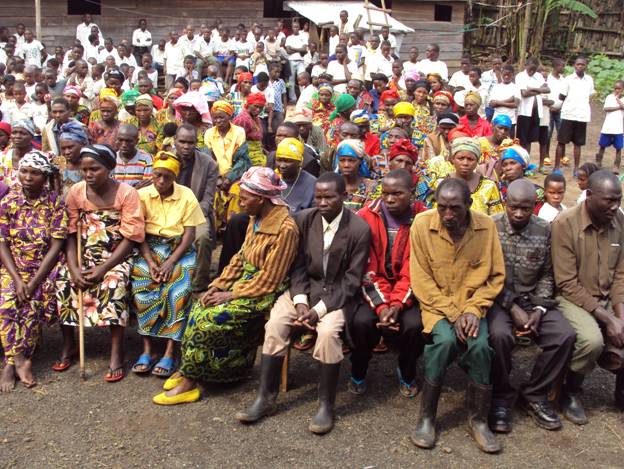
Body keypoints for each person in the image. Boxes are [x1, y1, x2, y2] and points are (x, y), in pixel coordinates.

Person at [236, 172, 370, 434]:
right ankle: (266, 397)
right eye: (318, 197)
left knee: (328, 333)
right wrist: (299, 301)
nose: (322, 203)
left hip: (336, 297)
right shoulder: (304, 220)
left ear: (344, 196)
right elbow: (296, 265)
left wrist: (318, 311)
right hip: (304, 290)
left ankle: (326, 406)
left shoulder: (358, 229)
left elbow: (351, 282)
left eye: (329, 197)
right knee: (275, 324)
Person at [153, 166, 299, 405]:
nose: (239, 203)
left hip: (264, 291)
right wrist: (217, 286)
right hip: (246, 284)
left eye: (244, 198)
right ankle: (190, 369)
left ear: (261, 199)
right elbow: (240, 259)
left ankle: (190, 384)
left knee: (209, 319)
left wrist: (230, 295)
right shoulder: (256, 218)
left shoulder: (285, 229)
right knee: (198, 305)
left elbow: (270, 280)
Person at [410, 178, 504, 453]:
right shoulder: (422, 225)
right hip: (436, 306)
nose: (448, 215)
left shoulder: (486, 227)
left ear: (469, 205)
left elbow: (495, 277)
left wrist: (473, 310)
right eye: (442, 207)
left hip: (474, 307)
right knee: (445, 342)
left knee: (480, 347)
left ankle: (478, 420)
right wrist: (453, 313)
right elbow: (421, 280)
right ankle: (427, 417)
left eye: (455, 208)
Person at [488, 179, 575, 432]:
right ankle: (500, 396)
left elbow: (547, 274)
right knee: (499, 336)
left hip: (532, 300)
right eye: (513, 207)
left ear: (534, 206)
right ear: (505, 203)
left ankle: (534, 394)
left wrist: (539, 309)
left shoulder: (544, 229)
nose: (518, 213)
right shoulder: (489, 227)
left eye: (525, 208)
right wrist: (511, 306)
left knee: (564, 335)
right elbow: (484, 274)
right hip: (498, 299)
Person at [55, 144, 145, 382]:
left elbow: (131, 237)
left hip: (116, 255)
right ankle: (69, 344)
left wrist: (104, 267)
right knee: (63, 280)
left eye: (94, 169)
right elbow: (69, 233)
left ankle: (117, 351)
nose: (88, 174)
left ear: (109, 168)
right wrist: (74, 268)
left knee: (115, 283)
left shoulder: (127, 193)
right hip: (83, 254)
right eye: (85, 170)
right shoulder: (76, 191)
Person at [552, 170, 624, 421]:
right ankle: (570, 390)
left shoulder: (619, 220)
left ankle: (621, 391)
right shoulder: (565, 223)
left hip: (607, 294)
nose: (615, 206)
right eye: (609, 200)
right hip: (572, 296)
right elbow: (566, 282)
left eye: (618, 200)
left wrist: (620, 315)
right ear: (590, 195)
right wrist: (609, 319)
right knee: (591, 341)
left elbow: (620, 274)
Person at [349, 169, 426, 397]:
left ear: (412, 193)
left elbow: (416, 267)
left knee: (414, 326)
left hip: (409, 291)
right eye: (385, 193)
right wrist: (383, 307)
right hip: (373, 289)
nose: (389, 199)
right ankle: (358, 370)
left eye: (397, 194)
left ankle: (407, 371)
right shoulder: (365, 216)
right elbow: (367, 268)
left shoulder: (422, 219)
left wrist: (397, 305)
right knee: (361, 322)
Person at [131, 151, 206, 378]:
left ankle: (170, 351)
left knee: (178, 290)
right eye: (157, 175)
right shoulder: (142, 195)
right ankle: (148, 349)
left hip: (179, 250)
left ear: (175, 177)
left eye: (167, 176)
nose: (161, 181)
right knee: (142, 285)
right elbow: (138, 233)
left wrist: (170, 262)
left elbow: (190, 235)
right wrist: (149, 260)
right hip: (149, 248)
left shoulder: (186, 195)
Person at [0, 151, 67, 392]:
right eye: (24, 172)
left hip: (44, 268)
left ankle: (13, 362)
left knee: (32, 305)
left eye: (35, 173)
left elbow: (57, 245)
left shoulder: (55, 203)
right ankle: (17, 360)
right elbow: (2, 242)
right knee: (6, 304)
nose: (28, 177)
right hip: (14, 267)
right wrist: (18, 280)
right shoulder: (8, 201)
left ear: (45, 177)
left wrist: (34, 281)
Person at [435, 137, 503, 215]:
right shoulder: (441, 184)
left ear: (477, 161)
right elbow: (435, 215)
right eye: (461, 158)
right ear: (453, 159)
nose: (465, 163)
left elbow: (497, 217)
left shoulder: (489, 186)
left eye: (470, 159)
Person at [555, 56, 594, 173]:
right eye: (578, 64)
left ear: (586, 66)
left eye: (582, 64)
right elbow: (561, 96)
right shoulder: (568, 79)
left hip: (582, 115)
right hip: (568, 114)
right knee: (561, 142)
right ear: (574, 66)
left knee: (578, 143)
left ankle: (576, 168)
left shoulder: (589, 80)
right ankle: (556, 167)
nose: (580, 66)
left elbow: (590, 95)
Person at [516, 57, 549, 154]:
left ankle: (527, 159)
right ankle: (520, 158)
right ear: (526, 65)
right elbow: (524, 93)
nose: (532, 71)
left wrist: (532, 89)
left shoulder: (539, 76)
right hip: (524, 112)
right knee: (522, 139)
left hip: (536, 112)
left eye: (534, 69)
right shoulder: (520, 76)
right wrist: (540, 90)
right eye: (530, 69)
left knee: (530, 139)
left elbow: (547, 89)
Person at [335, 139, 379, 213]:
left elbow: (370, 215)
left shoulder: (372, 188)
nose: (346, 165)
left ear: (360, 161)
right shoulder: (332, 185)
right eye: (342, 160)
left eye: (351, 160)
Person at [274, 137, 317, 213]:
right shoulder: (271, 179)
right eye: (279, 160)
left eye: (287, 161)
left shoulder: (312, 184)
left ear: (300, 162)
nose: (282, 165)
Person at [113, 124, 153, 188]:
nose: (124, 145)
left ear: (137, 141)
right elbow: (109, 188)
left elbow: (147, 187)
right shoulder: (112, 159)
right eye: (120, 140)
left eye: (128, 141)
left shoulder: (146, 159)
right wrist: (135, 188)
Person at [595, 80, 624, 170]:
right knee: (602, 146)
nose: (617, 90)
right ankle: (598, 162)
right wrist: (618, 107)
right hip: (607, 127)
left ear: (623, 89)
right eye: (615, 88)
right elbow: (606, 108)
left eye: (619, 88)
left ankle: (616, 166)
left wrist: (618, 100)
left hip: (618, 129)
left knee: (618, 148)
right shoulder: (609, 97)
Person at [56, 120, 90, 194]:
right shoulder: (58, 164)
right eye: (63, 148)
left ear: (83, 145)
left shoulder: (91, 164)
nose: (67, 152)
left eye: (70, 147)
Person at [233, 92, 266, 166]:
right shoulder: (243, 119)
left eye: (261, 108)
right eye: (256, 106)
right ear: (249, 104)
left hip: (258, 154)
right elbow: (235, 141)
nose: (258, 110)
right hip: (248, 157)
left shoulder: (256, 118)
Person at [0, 119, 35, 187]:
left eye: (23, 133)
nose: (17, 136)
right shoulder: (2, 157)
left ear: (31, 136)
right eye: (14, 133)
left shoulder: (38, 158)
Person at [488, 65, 520, 137]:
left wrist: (498, 102)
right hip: (496, 120)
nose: (506, 76)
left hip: (510, 121)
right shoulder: (496, 87)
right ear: (501, 73)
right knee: (495, 142)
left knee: (509, 142)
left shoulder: (516, 88)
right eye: (505, 74)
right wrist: (509, 100)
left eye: (509, 75)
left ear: (513, 75)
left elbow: (515, 104)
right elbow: (491, 104)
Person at [478, 114, 512, 180]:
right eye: (500, 128)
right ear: (493, 126)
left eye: (506, 129)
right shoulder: (480, 142)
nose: (503, 132)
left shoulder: (509, 144)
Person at [284, 21, 307, 103]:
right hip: (291, 61)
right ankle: (293, 99)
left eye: (297, 27)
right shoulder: (289, 38)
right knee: (291, 81)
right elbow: (288, 51)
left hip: (301, 61)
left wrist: (293, 48)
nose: (296, 28)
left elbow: (304, 50)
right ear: (292, 28)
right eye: (294, 27)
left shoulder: (303, 36)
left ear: (299, 28)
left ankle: (303, 98)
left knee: (303, 79)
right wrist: (299, 50)